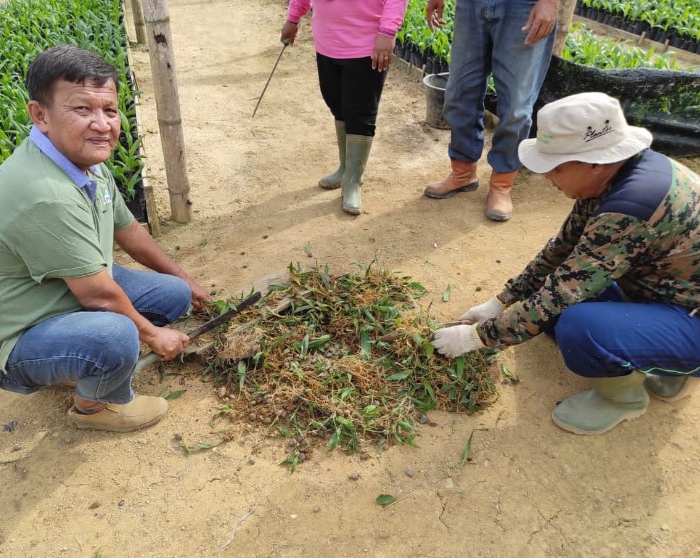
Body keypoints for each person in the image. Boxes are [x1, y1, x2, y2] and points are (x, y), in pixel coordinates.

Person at [0, 45, 212, 433]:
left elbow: (130, 230)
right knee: (116, 335)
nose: (102, 124)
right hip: (13, 333)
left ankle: (79, 355)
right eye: (82, 110)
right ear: (40, 115)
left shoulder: (83, 160)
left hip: (55, 290)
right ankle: (95, 406)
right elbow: (98, 296)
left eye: (109, 110)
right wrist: (152, 335)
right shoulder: (45, 192)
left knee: (173, 294)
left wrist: (186, 279)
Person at [430, 92, 700, 435]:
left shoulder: (631, 206)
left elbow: (560, 294)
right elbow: (562, 250)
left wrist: (477, 338)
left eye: (555, 168)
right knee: (554, 314)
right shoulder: (617, 178)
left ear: (595, 162)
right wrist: (500, 302)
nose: (546, 177)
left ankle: (626, 398)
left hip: (692, 316)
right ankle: (665, 361)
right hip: (671, 294)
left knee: (577, 325)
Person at [423, 0, 558, 221]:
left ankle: (501, 184)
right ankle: (463, 172)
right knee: (459, 93)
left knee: (516, 105)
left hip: (523, 6)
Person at [280, 0, 408, 216]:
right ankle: (344, 168)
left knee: (360, 113)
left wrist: (387, 32)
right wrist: (293, 18)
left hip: (365, 45)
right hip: (327, 42)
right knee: (337, 105)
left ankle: (352, 181)